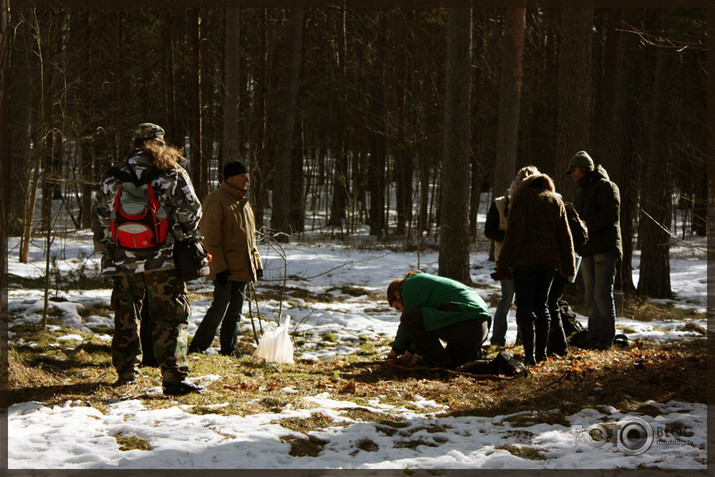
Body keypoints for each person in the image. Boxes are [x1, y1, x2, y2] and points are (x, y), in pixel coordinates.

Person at [93, 122, 203, 396]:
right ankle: (173, 378)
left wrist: (111, 246)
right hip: (163, 261)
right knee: (171, 316)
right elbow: (192, 212)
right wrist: (177, 232)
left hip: (123, 261)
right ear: (160, 143)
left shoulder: (112, 176)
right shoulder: (173, 173)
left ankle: (127, 374)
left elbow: (100, 219)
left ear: (134, 144)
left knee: (126, 316)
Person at [495, 173, 575, 366]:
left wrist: (503, 263)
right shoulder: (555, 201)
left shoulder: (522, 199)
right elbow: (565, 235)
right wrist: (568, 264)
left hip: (524, 262)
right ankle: (541, 354)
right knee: (543, 306)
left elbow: (514, 234)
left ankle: (529, 355)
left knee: (524, 307)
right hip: (548, 263)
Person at [188, 161, 263, 356]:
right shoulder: (216, 200)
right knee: (220, 307)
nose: (247, 179)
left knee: (235, 311)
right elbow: (210, 239)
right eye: (243, 176)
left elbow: (250, 239)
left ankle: (228, 349)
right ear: (230, 178)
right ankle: (198, 347)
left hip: (243, 267)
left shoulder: (243, 203)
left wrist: (256, 263)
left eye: (247, 175)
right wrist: (218, 268)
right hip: (225, 268)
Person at [566, 150, 622, 350]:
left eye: (574, 170)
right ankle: (594, 340)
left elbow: (610, 215)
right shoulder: (582, 192)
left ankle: (604, 341)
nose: (572, 174)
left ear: (585, 168)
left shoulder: (606, 186)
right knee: (590, 297)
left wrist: (584, 225)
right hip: (588, 251)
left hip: (605, 249)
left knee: (602, 296)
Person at [385, 271, 491, 369]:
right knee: (452, 366)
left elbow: (409, 323)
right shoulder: (425, 284)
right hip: (478, 328)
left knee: (408, 317)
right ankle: (443, 367)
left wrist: (394, 353)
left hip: (468, 322)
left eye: (398, 307)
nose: (401, 310)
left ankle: (439, 365)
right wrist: (410, 352)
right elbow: (421, 328)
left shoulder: (409, 285)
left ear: (396, 294)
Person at [484, 166, 539, 347]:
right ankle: (498, 340)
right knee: (507, 298)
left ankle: (523, 340)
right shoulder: (500, 203)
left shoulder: (536, 201)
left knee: (526, 301)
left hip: (528, 259)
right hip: (506, 259)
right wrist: (511, 238)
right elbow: (489, 231)